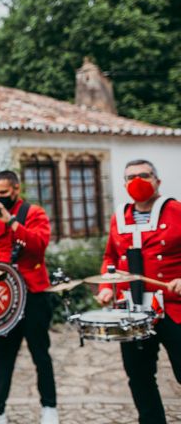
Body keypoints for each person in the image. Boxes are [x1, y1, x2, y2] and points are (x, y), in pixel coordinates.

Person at [96, 159, 181, 424]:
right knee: (139, 375)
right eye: (130, 177)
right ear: (124, 184)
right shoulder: (119, 216)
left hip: (174, 308)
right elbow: (110, 256)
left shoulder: (176, 211)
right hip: (133, 310)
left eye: (143, 175)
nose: (137, 181)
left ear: (157, 180)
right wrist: (106, 287)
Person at [0, 170, 58, 424]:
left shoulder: (34, 213)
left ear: (16, 189)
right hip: (8, 295)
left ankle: (49, 408)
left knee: (40, 353)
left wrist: (11, 221)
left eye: (4, 193)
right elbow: (3, 253)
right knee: (3, 353)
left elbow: (39, 244)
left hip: (33, 294)